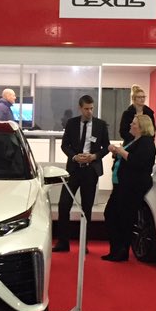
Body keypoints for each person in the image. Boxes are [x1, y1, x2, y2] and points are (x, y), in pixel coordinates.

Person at [54, 95, 110, 253]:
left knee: (87, 207)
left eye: (92, 108)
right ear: (80, 108)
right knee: (64, 204)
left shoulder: (100, 125)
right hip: (73, 169)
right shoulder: (72, 123)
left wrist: (94, 156)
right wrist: (73, 156)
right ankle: (63, 242)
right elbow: (65, 145)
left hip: (90, 170)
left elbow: (106, 147)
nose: (89, 112)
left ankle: (83, 244)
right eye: (86, 109)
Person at [103, 115, 156, 262]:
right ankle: (116, 249)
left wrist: (121, 152)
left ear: (141, 127)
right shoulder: (134, 141)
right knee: (112, 215)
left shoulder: (146, 143)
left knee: (123, 218)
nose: (130, 126)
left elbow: (138, 162)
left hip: (132, 186)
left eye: (133, 124)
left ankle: (121, 250)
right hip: (122, 185)